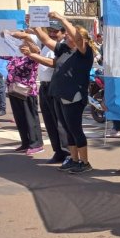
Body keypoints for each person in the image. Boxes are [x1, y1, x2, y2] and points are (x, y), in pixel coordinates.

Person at [27, 12, 95, 174]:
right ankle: (74, 159)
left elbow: (78, 39)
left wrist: (63, 20)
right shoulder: (64, 49)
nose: (67, 37)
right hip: (59, 94)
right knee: (67, 128)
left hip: (73, 96)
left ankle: (85, 162)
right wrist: (35, 26)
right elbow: (45, 40)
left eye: (70, 35)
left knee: (75, 129)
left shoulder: (84, 53)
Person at [0, 32, 44, 155]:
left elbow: (35, 48)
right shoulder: (15, 55)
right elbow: (1, 53)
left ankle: (36, 144)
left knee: (30, 117)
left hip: (27, 91)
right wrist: (4, 36)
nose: (21, 45)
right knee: (20, 117)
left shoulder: (33, 55)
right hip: (14, 89)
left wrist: (25, 38)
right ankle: (25, 142)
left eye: (24, 43)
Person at [33, 24, 71, 164]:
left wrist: (33, 56)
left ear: (63, 32)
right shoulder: (46, 46)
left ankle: (68, 152)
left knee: (60, 122)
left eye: (56, 31)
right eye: (50, 31)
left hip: (55, 87)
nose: (53, 34)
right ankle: (58, 152)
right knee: (50, 121)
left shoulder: (63, 47)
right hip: (44, 87)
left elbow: (53, 63)